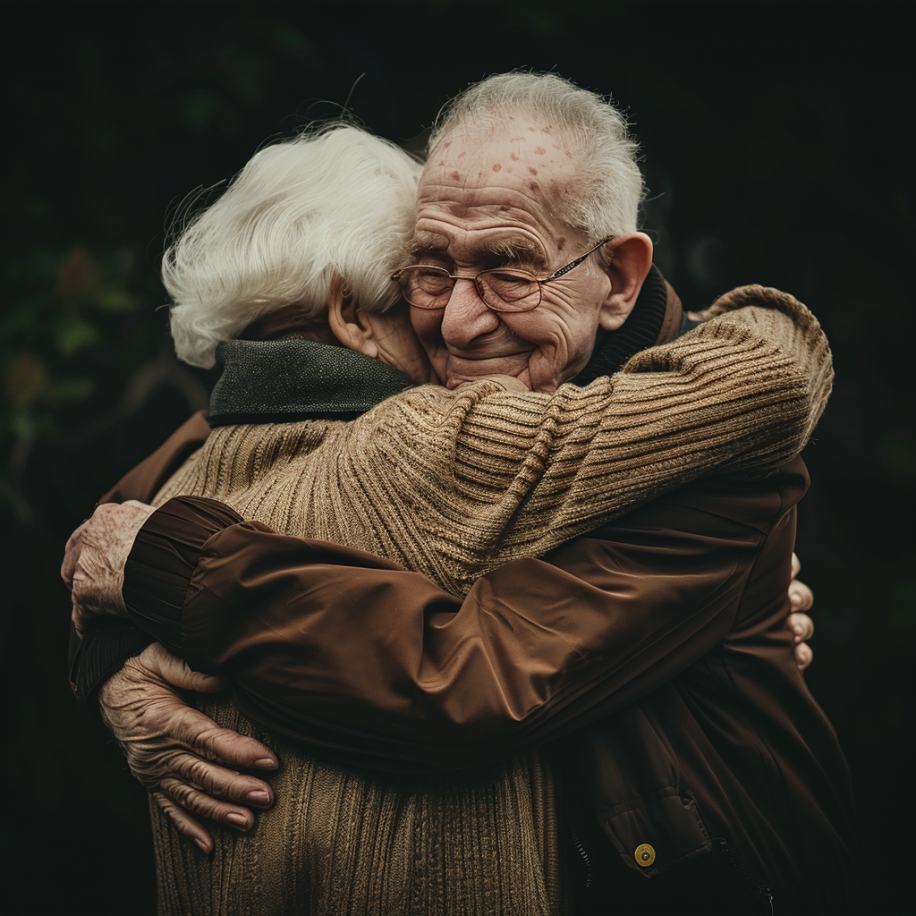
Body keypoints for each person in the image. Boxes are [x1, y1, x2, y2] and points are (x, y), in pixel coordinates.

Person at [67, 74, 853, 914]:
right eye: (429, 273)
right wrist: (112, 656)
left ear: (620, 280)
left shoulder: (708, 450)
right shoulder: (412, 435)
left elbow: (458, 680)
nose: (455, 324)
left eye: (510, 270)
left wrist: (159, 573)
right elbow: (166, 491)